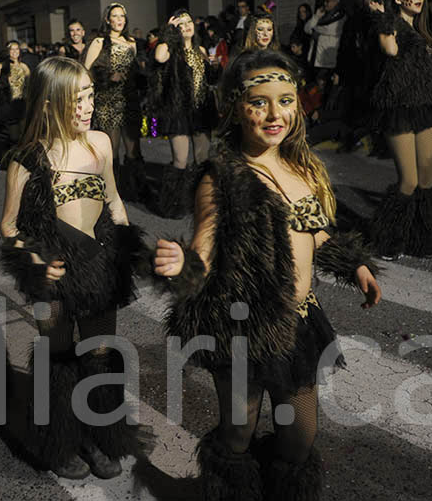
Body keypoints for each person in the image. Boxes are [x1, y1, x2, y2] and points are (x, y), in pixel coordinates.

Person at [153, 48, 381, 500]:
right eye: (259, 102)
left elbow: (315, 232)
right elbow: (204, 248)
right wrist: (183, 266)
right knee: (238, 432)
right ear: (236, 108)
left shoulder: (301, 168)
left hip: (298, 320)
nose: (275, 113)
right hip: (242, 324)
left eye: (286, 99)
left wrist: (355, 264)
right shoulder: (221, 176)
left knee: (301, 437)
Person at [0, 56, 144, 480]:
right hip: (55, 278)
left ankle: (101, 437)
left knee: (100, 356)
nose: (86, 106)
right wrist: (37, 259)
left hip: (98, 269)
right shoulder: (26, 158)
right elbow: (8, 225)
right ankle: (61, 441)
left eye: (90, 95)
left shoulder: (99, 142)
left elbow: (114, 201)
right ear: (48, 102)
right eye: (75, 98)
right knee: (58, 357)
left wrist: (126, 250)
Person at [365, 0, 432, 260]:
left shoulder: (423, 30)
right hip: (399, 109)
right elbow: (390, 51)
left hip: (426, 107)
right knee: (408, 181)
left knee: (426, 180)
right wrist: (383, 18)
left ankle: (421, 240)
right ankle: (387, 239)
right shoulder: (392, 25)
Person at [151, 8, 216, 218]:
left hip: (200, 110)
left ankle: (201, 201)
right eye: (181, 24)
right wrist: (168, 31)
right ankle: (175, 204)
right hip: (178, 110)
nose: (187, 26)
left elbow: (211, 81)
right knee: (180, 160)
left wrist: (214, 67)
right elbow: (159, 57)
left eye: (189, 22)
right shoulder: (171, 50)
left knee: (203, 158)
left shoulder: (202, 51)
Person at [83, 3, 145, 201]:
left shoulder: (132, 42)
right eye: (115, 16)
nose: (119, 20)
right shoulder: (100, 41)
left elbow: (135, 71)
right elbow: (86, 71)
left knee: (133, 147)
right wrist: (108, 76)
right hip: (107, 100)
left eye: (122, 16)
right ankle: (111, 192)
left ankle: (134, 189)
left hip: (129, 100)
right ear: (107, 20)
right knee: (112, 149)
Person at [0, 40, 31, 140]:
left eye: (17, 49)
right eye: (12, 49)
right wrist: (5, 81)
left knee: (25, 133)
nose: (14, 52)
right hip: (9, 103)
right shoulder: (2, 66)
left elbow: (30, 84)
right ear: (7, 51)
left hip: (23, 102)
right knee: (14, 136)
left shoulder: (24, 66)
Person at [304, 0, 346, 80]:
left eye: (327, 1)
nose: (324, 4)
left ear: (335, 2)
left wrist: (314, 28)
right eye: (324, 1)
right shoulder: (322, 15)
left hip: (328, 60)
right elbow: (307, 29)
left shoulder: (340, 15)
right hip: (315, 59)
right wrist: (316, 17)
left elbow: (330, 29)